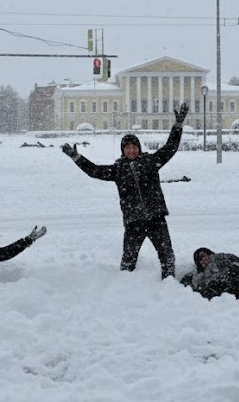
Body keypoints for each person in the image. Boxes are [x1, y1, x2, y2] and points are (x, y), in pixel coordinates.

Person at [62, 102, 188, 279]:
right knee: (128, 261)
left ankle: (169, 283)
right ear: (123, 150)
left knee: (166, 255)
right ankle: (125, 287)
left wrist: (178, 126)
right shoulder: (118, 169)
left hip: (156, 218)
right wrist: (77, 157)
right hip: (133, 221)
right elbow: (94, 171)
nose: (131, 150)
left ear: (139, 148)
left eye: (134, 147)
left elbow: (170, 148)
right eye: (127, 147)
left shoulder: (150, 162)